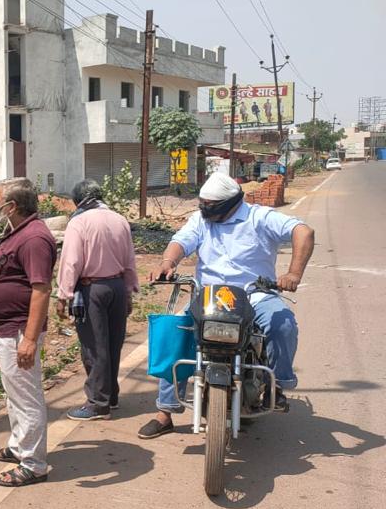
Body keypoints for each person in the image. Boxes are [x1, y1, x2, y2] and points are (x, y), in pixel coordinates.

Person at [138, 172, 315, 439]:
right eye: (203, 204)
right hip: (208, 295)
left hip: (254, 295)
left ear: (232, 202)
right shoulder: (201, 220)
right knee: (177, 333)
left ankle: (276, 385)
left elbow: (303, 231)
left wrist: (294, 274)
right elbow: (181, 241)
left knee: (283, 325)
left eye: (212, 206)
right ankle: (165, 411)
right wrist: (168, 262)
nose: (206, 210)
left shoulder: (259, 217)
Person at [0, 177, 57, 487]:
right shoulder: (21, 233)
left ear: (11, 206)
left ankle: (34, 464)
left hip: (18, 331)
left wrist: (28, 338)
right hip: (7, 328)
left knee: (26, 397)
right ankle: (18, 446)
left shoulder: (34, 239)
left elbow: (41, 290)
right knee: (14, 394)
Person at [56, 180, 139, 421]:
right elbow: (129, 259)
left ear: (78, 201)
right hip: (116, 286)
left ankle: (97, 403)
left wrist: (63, 295)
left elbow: (71, 262)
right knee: (113, 344)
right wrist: (129, 291)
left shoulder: (79, 222)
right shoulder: (119, 219)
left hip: (92, 289)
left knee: (94, 346)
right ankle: (110, 396)